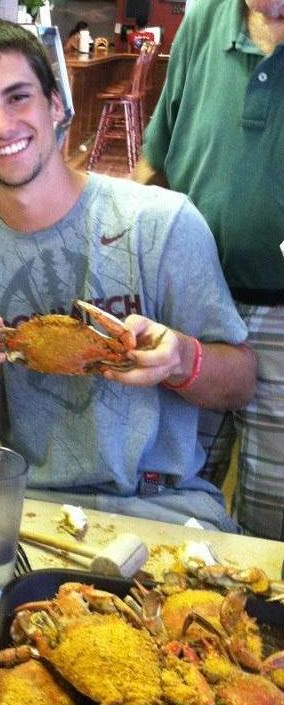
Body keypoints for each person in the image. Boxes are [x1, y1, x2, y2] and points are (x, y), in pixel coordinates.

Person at [0, 19, 256, 532]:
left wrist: (178, 358)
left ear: (56, 105)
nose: (0, 125)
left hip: (164, 506)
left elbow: (240, 383)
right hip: (29, 508)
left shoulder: (161, 223)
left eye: (18, 97)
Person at [134, 0, 284, 540]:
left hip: (281, 315)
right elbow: (159, 154)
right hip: (188, 304)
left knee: (274, 512)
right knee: (168, 491)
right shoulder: (205, 19)